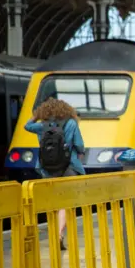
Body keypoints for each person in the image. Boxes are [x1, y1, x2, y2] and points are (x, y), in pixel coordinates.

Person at [25, 98, 86, 251]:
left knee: (53, 203)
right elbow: (79, 145)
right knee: (66, 203)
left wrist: (37, 115)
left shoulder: (41, 126)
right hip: (68, 167)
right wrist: (80, 154)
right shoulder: (71, 123)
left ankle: (54, 233)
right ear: (66, 110)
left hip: (47, 168)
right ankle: (59, 234)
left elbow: (27, 126)